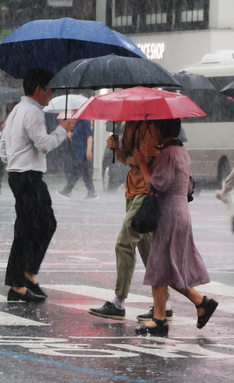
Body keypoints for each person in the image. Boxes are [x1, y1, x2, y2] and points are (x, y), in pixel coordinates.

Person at [133, 118, 217, 336]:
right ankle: (193, 305)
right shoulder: (181, 151)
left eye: (151, 126)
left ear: (160, 128)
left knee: (159, 264)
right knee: (165, 266)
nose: (149, 130)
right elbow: (188, 185)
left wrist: (142, 163)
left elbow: (157, 184)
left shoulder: (168, 153)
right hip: (181, 211)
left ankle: (163, 318)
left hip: (169, 213)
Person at [0, 68, 75, 302]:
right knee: (29, 229)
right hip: (28, 176)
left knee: (41, 224)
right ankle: (18, 283)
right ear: (39, 89)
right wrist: (63, 129)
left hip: (21, 174)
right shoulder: (32, 112)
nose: (51, 95)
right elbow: (43, 144)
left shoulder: (16, 111)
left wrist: (14, 162)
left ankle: (27, 276)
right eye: (49, 89)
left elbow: (3, 148)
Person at [89, 120, 171, 321]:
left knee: (124, 243)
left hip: (146, 192)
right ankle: (165, 304)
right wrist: (116, 149)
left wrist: (131, 158)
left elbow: (143, 158)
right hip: (132, 191)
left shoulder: (151, 126)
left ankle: (118, 302)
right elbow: (127, 157)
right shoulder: (129, 126)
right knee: (147, 249)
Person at [56, 117, 97, 199]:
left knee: (76, 171)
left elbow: (89, 136)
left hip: (82, 151)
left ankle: (67, 191)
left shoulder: (85, 121)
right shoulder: (75, 122)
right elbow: (77, 134)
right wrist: (70, 134)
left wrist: (89, 150)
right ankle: (91, 192)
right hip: (77, 150)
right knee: (85, 173)